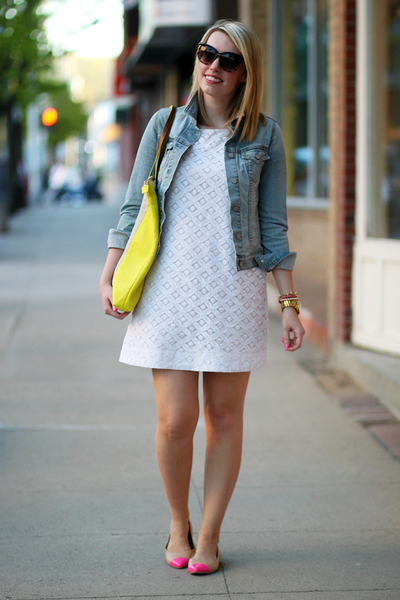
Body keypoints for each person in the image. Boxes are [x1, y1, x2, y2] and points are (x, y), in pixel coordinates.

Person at [100, 19, 305, 575]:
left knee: (223, 416)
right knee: (174, 421)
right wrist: (113, 268)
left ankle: (209, 533)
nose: (212, 65)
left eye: (227, 60)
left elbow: (273, 227)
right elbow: (134, 205)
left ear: (246, 73)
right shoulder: (164, 125)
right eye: (205, 53)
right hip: (169, 287)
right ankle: (177, 520)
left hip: (232, 288)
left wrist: (288, 305)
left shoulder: (265, 135)